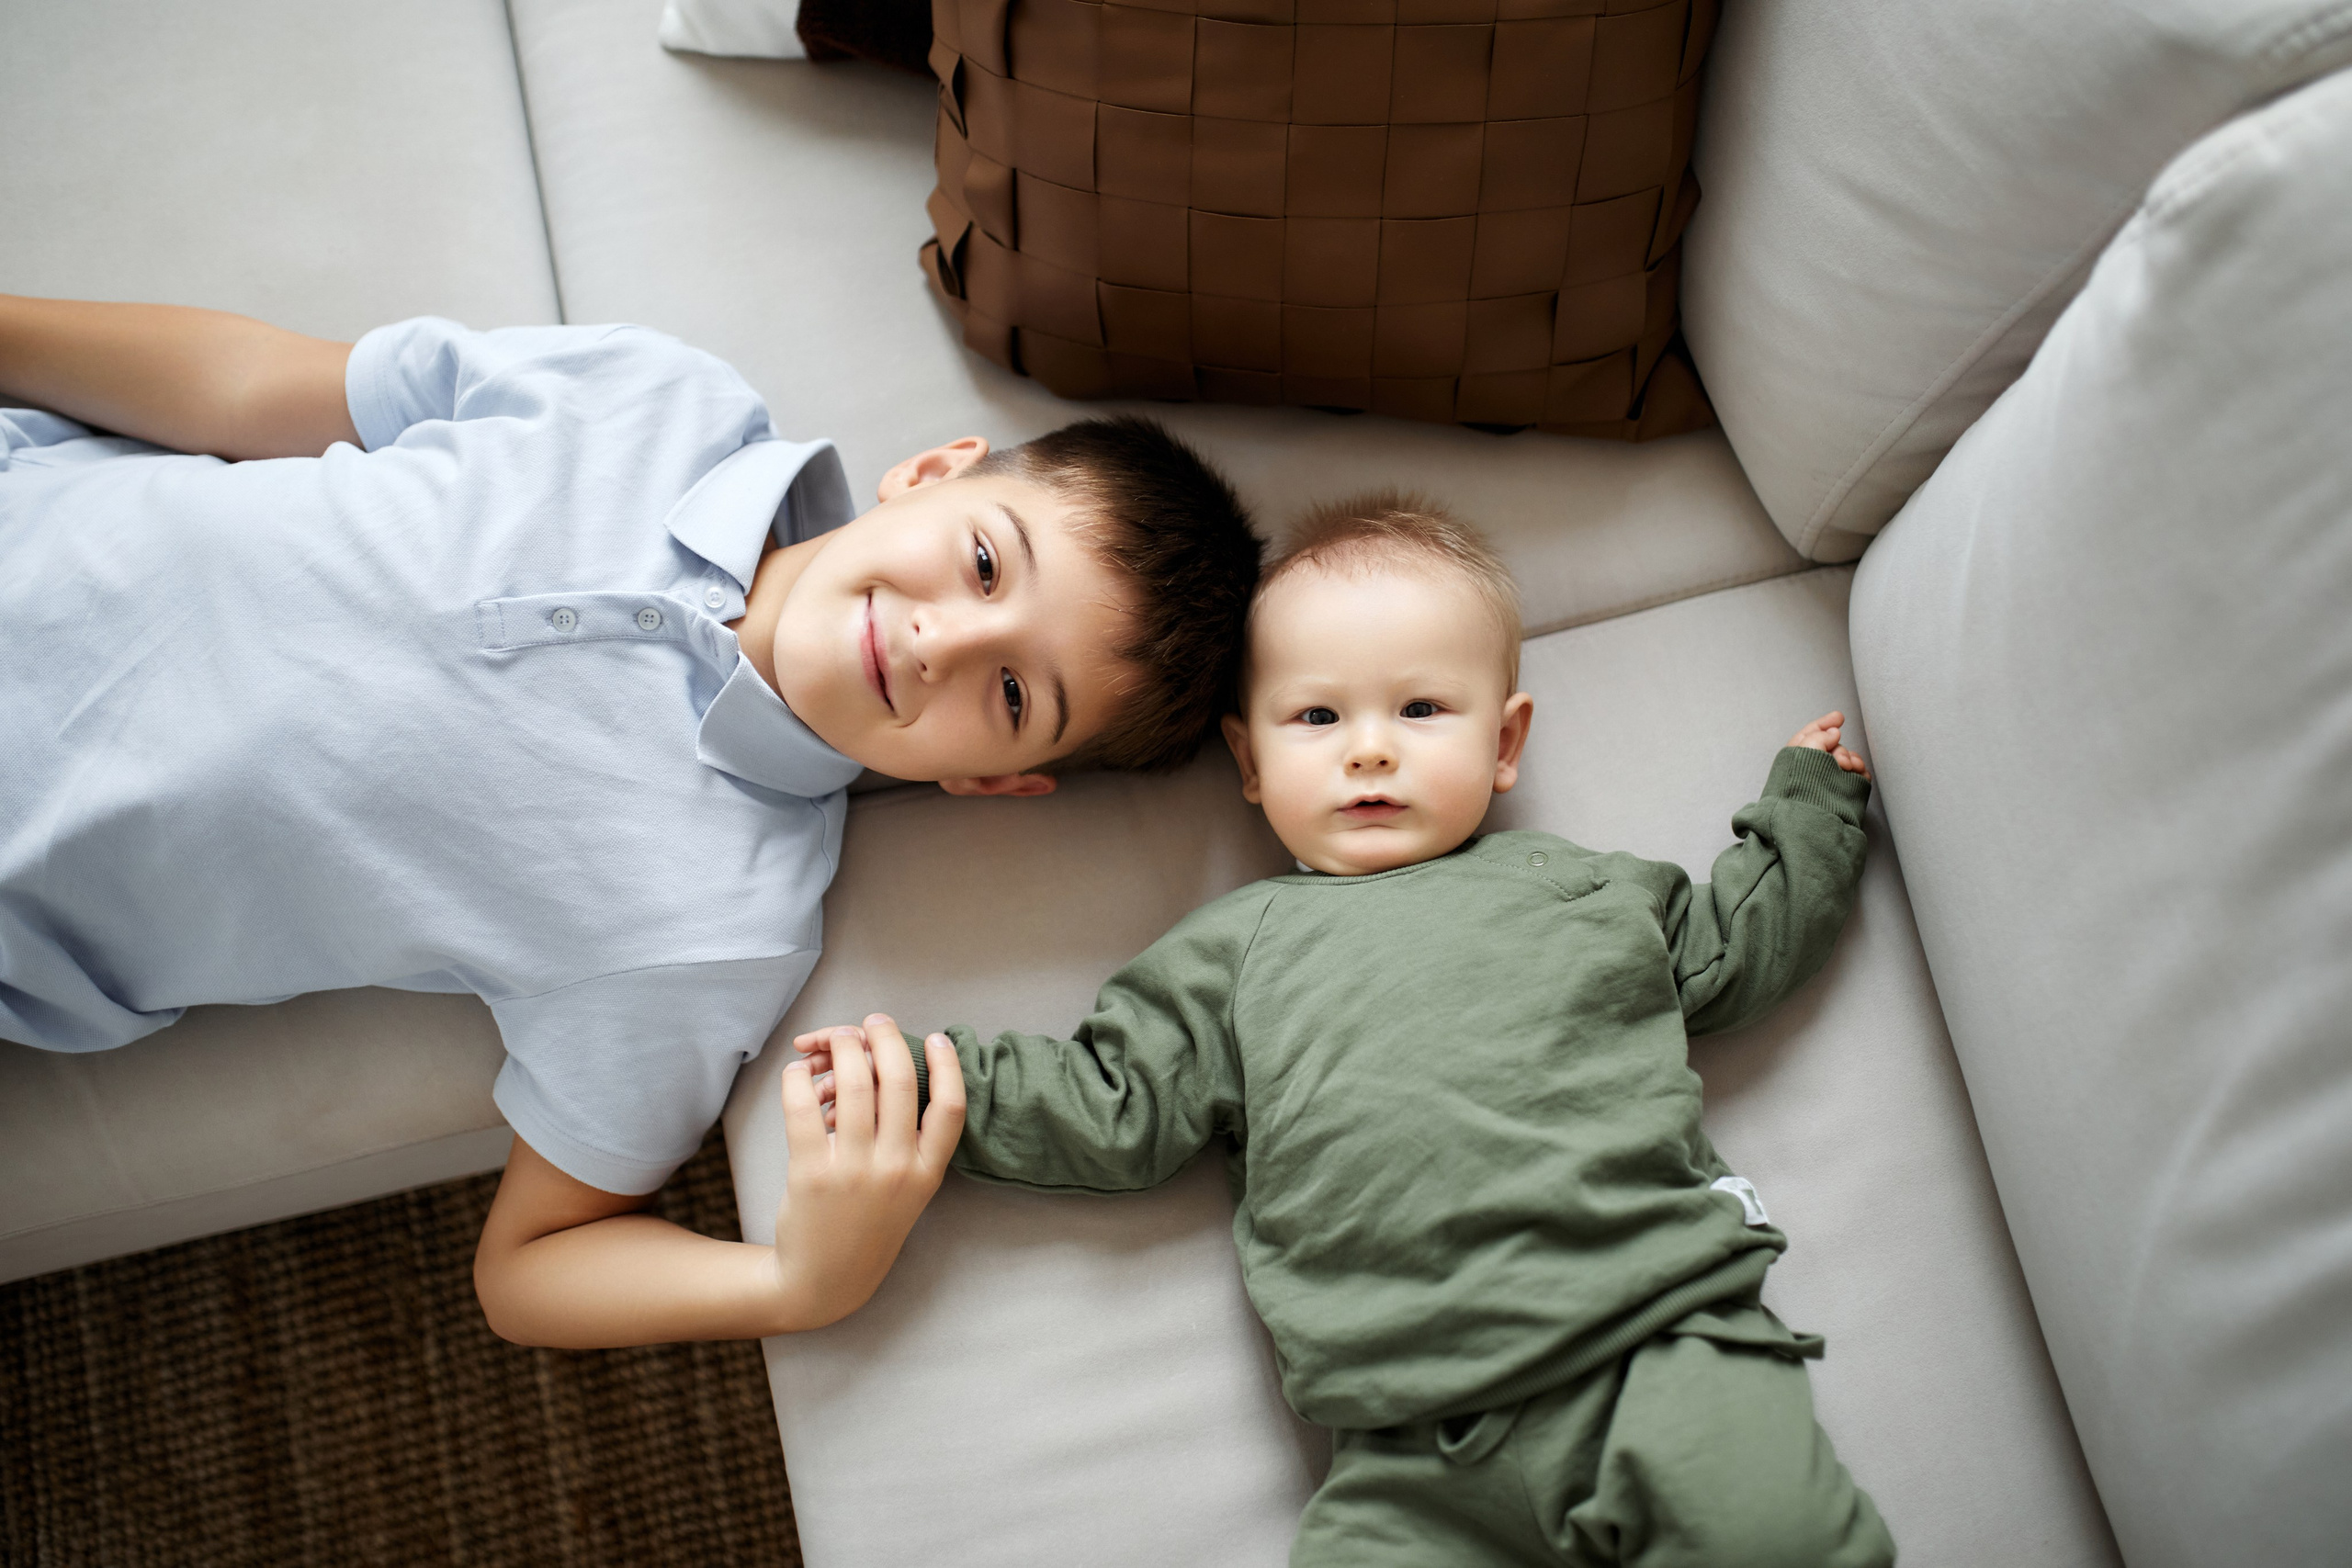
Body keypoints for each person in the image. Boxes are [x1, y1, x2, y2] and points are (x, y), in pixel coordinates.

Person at [0, 295, 1259, 1348]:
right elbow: (258, 386)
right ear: (936, 470)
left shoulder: (714, 929)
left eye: (1012, 694)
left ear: (992, 782)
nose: (943, 638)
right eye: (986, 564)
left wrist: (798, 1283)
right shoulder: (663, 400)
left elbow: (533, 1262)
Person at [803, 496, 1897, 1564]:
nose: (1369, 751)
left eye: (1421, 711)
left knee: (1781, 1536)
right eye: (1317, 718)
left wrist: (1808, 810)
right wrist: (919, 1079)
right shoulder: (1228, 955)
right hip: (1407, 1447)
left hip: (1654, 1343)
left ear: (1504, 739)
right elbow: (1110, 1105)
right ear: (1248, 761)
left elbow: (1735, 949)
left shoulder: (1581, 890)